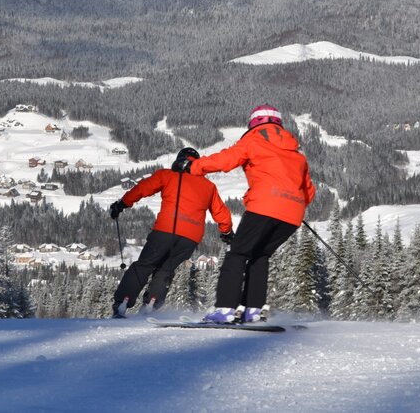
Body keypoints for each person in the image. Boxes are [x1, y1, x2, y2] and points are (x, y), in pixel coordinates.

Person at [173, 104, 315, 324]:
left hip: (264, 207)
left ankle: (225, 310)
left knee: (237, 254)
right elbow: (309, 192)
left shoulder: (254, 140)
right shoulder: (297, 155)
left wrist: (192, 167)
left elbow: (225, 160)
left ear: (253, 123)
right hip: (292, 214)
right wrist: (288, 201)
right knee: (260, 256)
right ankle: (253, 311)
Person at [109, 147, 233, 318]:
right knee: (165, 270)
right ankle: (151, 305)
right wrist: (226, 232)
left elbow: (142, 188)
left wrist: (122, 204)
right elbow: (221, 212)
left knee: (144, 265)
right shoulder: (209, 186)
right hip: (189, 239)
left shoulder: (167, 175)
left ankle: (123, 302)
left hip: (165, 231)